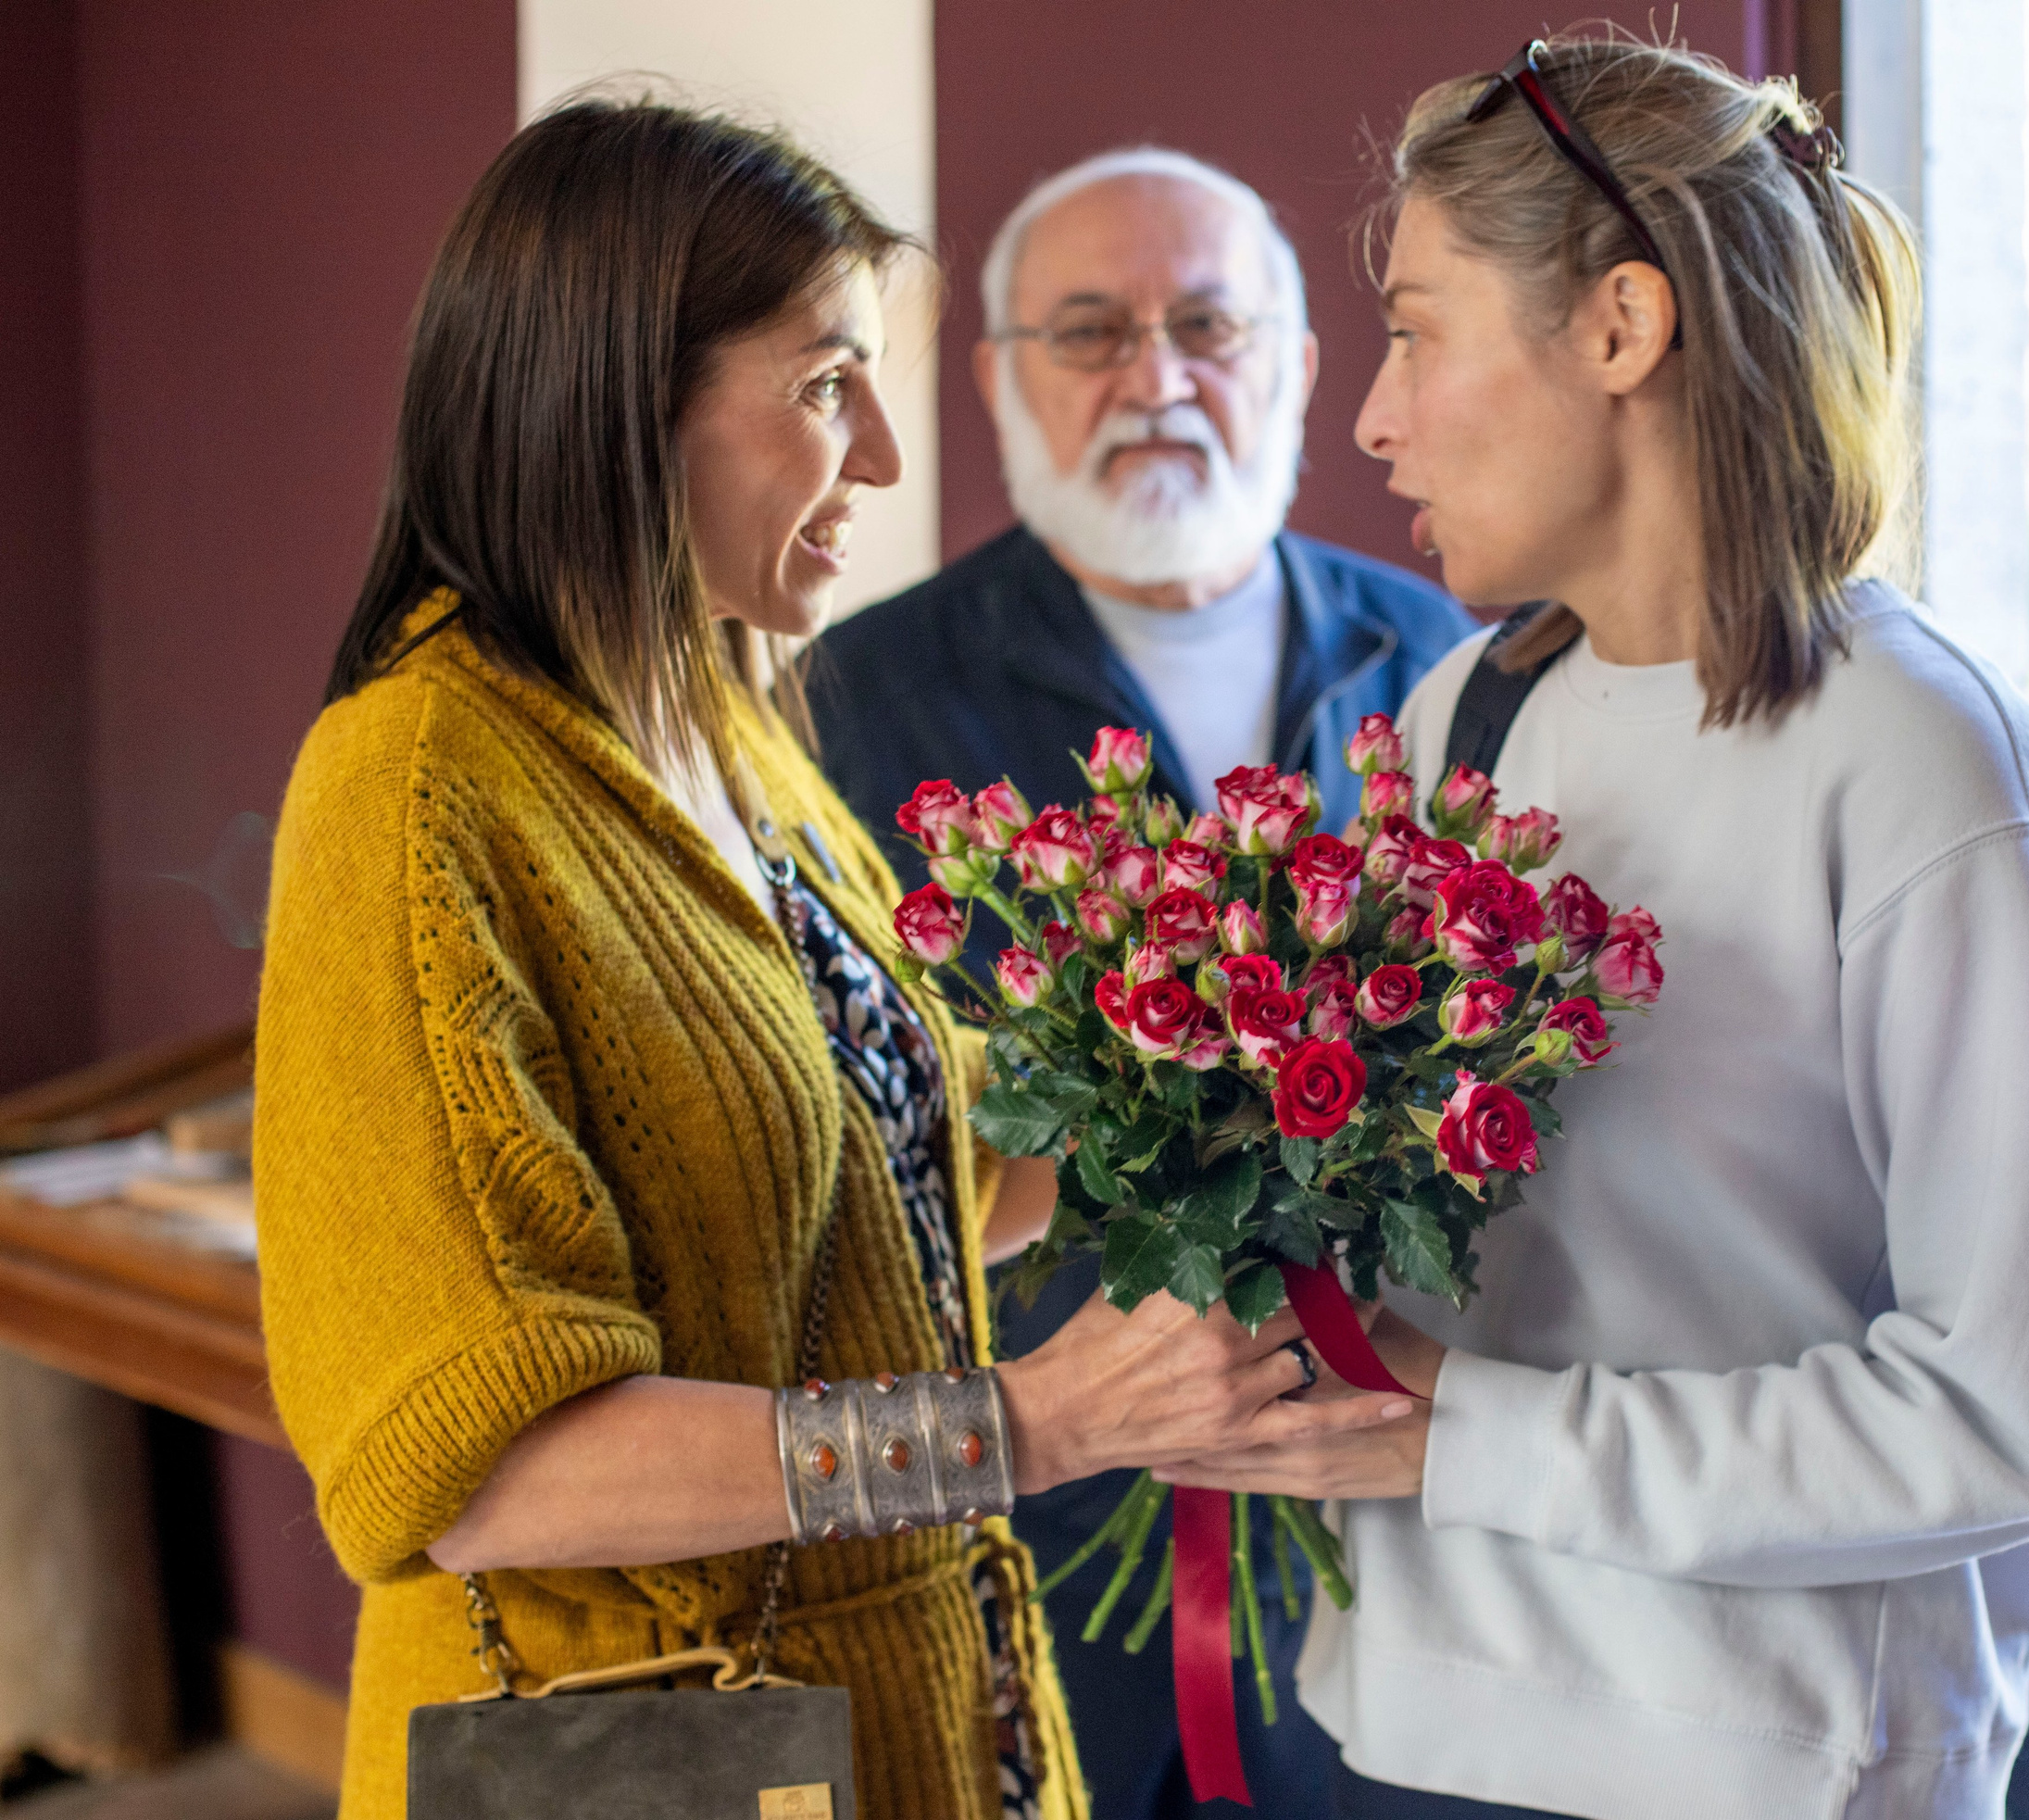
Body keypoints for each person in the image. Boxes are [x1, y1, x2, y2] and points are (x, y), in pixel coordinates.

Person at [252, 100, 1406, 1820]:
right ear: (617, 400)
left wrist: (1173, 1125)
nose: (877, 452)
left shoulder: (737, 734)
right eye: (821, 384)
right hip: (646, 1749)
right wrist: (1022, 1424)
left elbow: (882, 1184)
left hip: (923, 1713)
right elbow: (474, 1468)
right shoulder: (414, 785)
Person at [1157, 37, 2029, 1820]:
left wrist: (1468, 1429)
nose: (1372, 418)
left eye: (1418, 326)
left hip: (1753, 1770)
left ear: (1621, 328)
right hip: (1398, 1737)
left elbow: (2014, 1416)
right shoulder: (1463, 716)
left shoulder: (1920, 762)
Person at [813, 145, 1472, 1819]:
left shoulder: (1458, 672)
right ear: (997, 379)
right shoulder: (848, 699)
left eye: (1208, 325)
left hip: (1389, 1534)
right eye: (1090, 331)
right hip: (1033, 1518)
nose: (1156, 378)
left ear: (1306, 367)